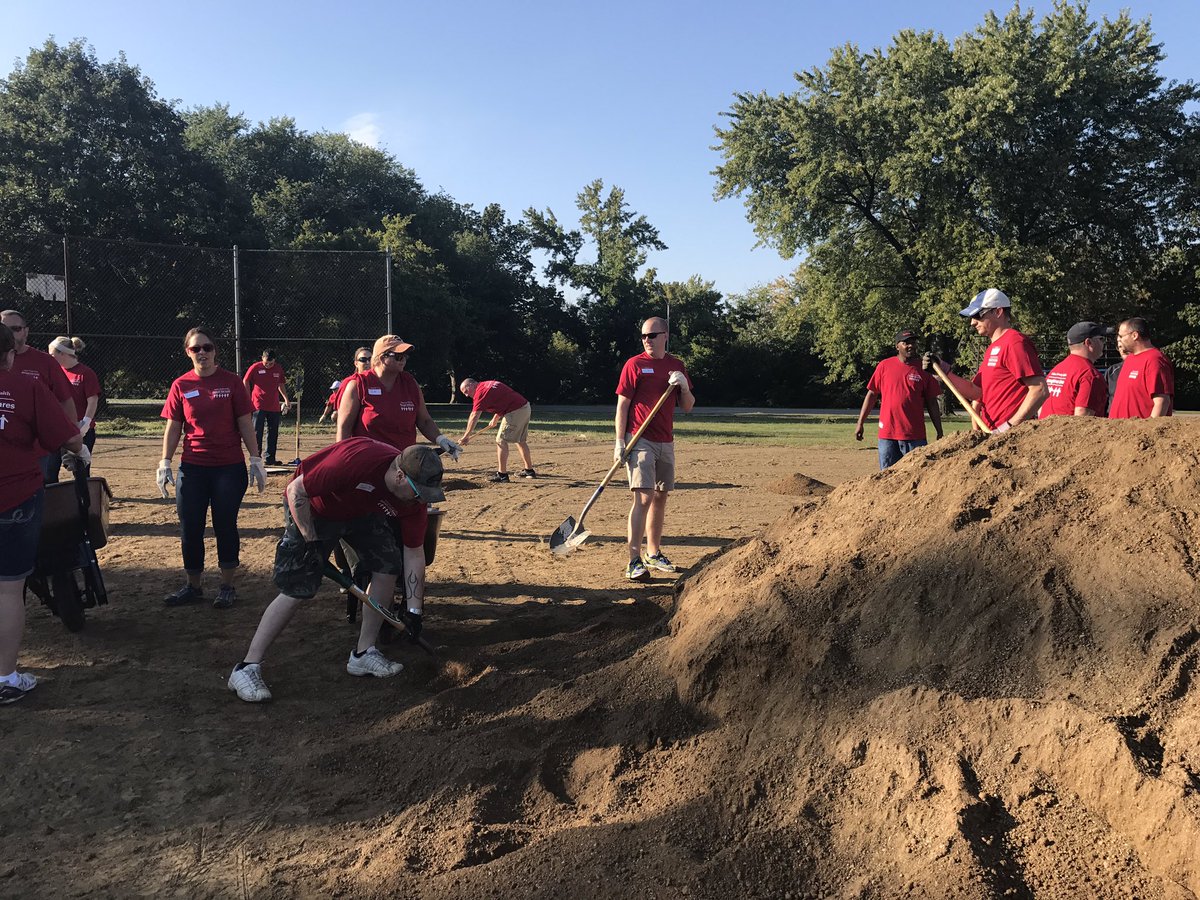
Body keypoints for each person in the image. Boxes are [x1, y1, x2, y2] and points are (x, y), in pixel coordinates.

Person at [227, 438, 445, 702]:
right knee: (299, 586)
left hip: (362, 510)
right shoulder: (357, 461)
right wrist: (310, 542)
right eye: (419, 492)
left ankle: (363, 653)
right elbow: (297, 491)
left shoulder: (413, 503)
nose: (421, 500)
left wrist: (414, 611)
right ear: (400, 476)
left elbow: (414, 552)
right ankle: (246, 667)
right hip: (313, 508)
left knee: (388, 565)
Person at [336, 334, 462, 621]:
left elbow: (424, 420)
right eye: (398, 355)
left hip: (406, 474)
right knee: (373, 541)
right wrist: (345, 468)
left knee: (408, 536)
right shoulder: (358, 385)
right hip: (370, 473)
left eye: (406, 355)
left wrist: (441, 439)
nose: (404, 360)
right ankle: (373, 598)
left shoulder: (410, 384)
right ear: (382, 358)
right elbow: (343, 431)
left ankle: (409, 604)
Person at [0, 322, 86, 704]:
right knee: (8, 588)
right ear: (10, 354)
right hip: (14, 496)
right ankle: (5, 678)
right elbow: (69, 437)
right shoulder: (24, 387)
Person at [157, 327, 266, 610]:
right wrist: (165, 461)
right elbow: (174, 427)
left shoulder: (232, 382)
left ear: (215, 350)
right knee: (190, 526)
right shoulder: (181, 385)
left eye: (207, 347)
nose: (202, 353)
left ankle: (227, 586)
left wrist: (256, 459)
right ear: (188, 352)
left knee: (225, 524)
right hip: (192, 467)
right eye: (196, 348)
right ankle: (193, 586)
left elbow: (245, 423)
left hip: (228, 467)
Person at [615, 317, 695, 582]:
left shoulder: (676, 365)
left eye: (651, 335)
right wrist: (619, 441)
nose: (646, 340)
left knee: (660, 496)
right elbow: (622, 405)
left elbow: (687, 406)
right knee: (643, 497)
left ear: (665, 336)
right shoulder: (634, 364)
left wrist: (683, 386)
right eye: (643, 336)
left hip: (666, 440)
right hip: (640, 439)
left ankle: (653, 553)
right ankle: (633, 561)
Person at [923, 289, 1047, 433]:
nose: (972, 322)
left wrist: (1008, 427)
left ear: (998, 312)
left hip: (1013, 437)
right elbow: (975, 392)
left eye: (978, 315)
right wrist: (943, 371)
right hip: (994, 434)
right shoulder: (993, 348)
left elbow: (1039, 390)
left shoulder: (1015, 342)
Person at [0, 310, 75, 482]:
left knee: (34, 490)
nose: (9, 333)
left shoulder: (45, 362)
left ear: (26, 331)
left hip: (35, 451)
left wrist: (72, 441)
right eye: (4, 328)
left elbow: (65, 400)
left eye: (15, 329)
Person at [854, 328, 943, 469]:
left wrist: (939, 430)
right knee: (886, 476)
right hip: (887, 435)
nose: (911, 345)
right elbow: (871, 395)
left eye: (913, 342)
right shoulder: (884, 366)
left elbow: (932, 402)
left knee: (916, 474)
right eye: (906, 343)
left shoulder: (925, 368)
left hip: (914, 436)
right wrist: (860, 423)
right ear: (897, 346)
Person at [457, 378, 536, 482]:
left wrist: (466, 436)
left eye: (466, 391)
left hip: (515, 411)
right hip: (524, 407)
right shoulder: (488, 384)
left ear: (471, 385)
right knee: (520, 440)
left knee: (501, 440)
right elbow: (503, 399)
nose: (467, 395)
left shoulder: (480, 392)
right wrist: (496, 418)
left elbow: (474, 415)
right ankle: (529, 471)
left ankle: (502, 475)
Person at [48, 336, 101, 481]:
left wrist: (85, 423)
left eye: (52, 355)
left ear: (62, 354)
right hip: (58, 429)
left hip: (80, 430)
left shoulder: (85, 373)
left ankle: (83, 495)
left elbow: (92, 400)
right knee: (50, 470)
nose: (50, 358)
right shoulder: (56, 372)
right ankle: (52, 495)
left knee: (80, 471)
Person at [1038, 322, 1107, 418]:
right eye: (1101, 339)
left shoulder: (1056, 370)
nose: (1103, 343)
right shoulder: (1090, 375)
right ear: (1089, 343)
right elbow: (1083, 419)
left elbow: (1040, 408)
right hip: (1066, 428)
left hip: (1046, 426)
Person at [1109, 317, 1174, 419]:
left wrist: (1149, 427)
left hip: (1138, 428)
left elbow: (1162, 401)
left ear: (1135, 335)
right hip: (1120, 427)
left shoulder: (1154, 360)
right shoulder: (1130, 359)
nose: (1119, 340)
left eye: (1121, 336)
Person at [243, 349, 291, 466]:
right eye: (266, 363)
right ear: (262, 358)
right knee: (257, 431)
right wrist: (247, 398)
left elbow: (281, 384)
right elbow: (246, 380)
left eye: (271, 363)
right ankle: (256, 458)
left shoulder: (278, 368)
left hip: (274, 405)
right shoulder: (255, 367)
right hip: (258, 404)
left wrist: (286, 399)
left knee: (273, 432)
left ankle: (270, 458)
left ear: (275, 361)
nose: (268, 365)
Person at [317, 347, 371, 424]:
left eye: (370, 359)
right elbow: (339, 411)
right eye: (363, 359)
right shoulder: (348, 382)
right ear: (356, 363)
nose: (368, 362)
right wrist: (325, 415)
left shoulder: (380, 381)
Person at [1104, 336, 1127, 416]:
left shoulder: (1145, 367)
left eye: (1125, 345)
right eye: (1119, 346)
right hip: (1112, 419)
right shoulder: (1112, 371)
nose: (1123, 350)